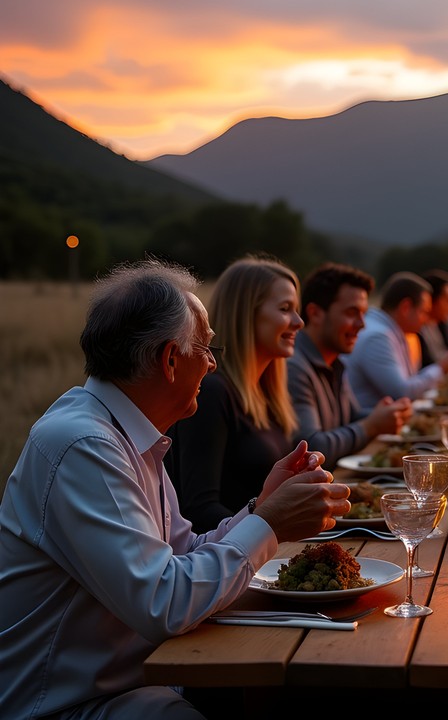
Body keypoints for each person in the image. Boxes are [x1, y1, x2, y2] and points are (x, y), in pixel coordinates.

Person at [0, 259, 351, 720]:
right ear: (169, 360)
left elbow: (184, 553)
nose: (211, 364)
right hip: (70, 703)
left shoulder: (128, 435)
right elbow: (162, 603)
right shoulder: (84, 446)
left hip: (138, 679)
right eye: (205, 349)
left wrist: (258, 508)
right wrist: (269, 523)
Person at [168, 255, 303, 532]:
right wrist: (265, 533)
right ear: (246, 314)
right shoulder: (212, 392)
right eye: (285, 308)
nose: (299, 321)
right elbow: (198, 509)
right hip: (235, 561)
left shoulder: (267, 393)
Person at [288, 262, 412, 465]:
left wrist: (387, 414)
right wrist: (371, 426)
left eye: (363, 313)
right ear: (315, 313)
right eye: (352, 313)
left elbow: (350, 416)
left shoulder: (334, 361)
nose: (362, 325)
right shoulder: (294, 366)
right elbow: (310, 448)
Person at [346, 271, 448, 407]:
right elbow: (403, 392)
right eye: (424, 312)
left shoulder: (394, 331)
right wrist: (441, 367)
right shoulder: (378, 337)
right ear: (406, 307)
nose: (427, 319)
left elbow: (410, 381)